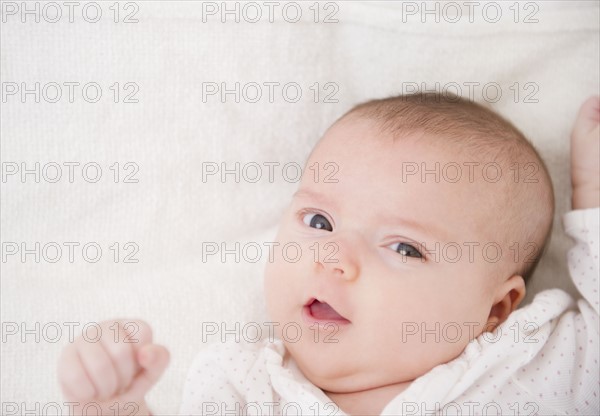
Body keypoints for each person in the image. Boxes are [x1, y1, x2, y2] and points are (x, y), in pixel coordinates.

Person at [57, 93, 600, 415]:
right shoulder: (247, 388)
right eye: (319, 222)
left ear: (495, 310)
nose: (334, 257)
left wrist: (591, 187)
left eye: (405, 247)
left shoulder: (529, 361)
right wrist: (113, 404)